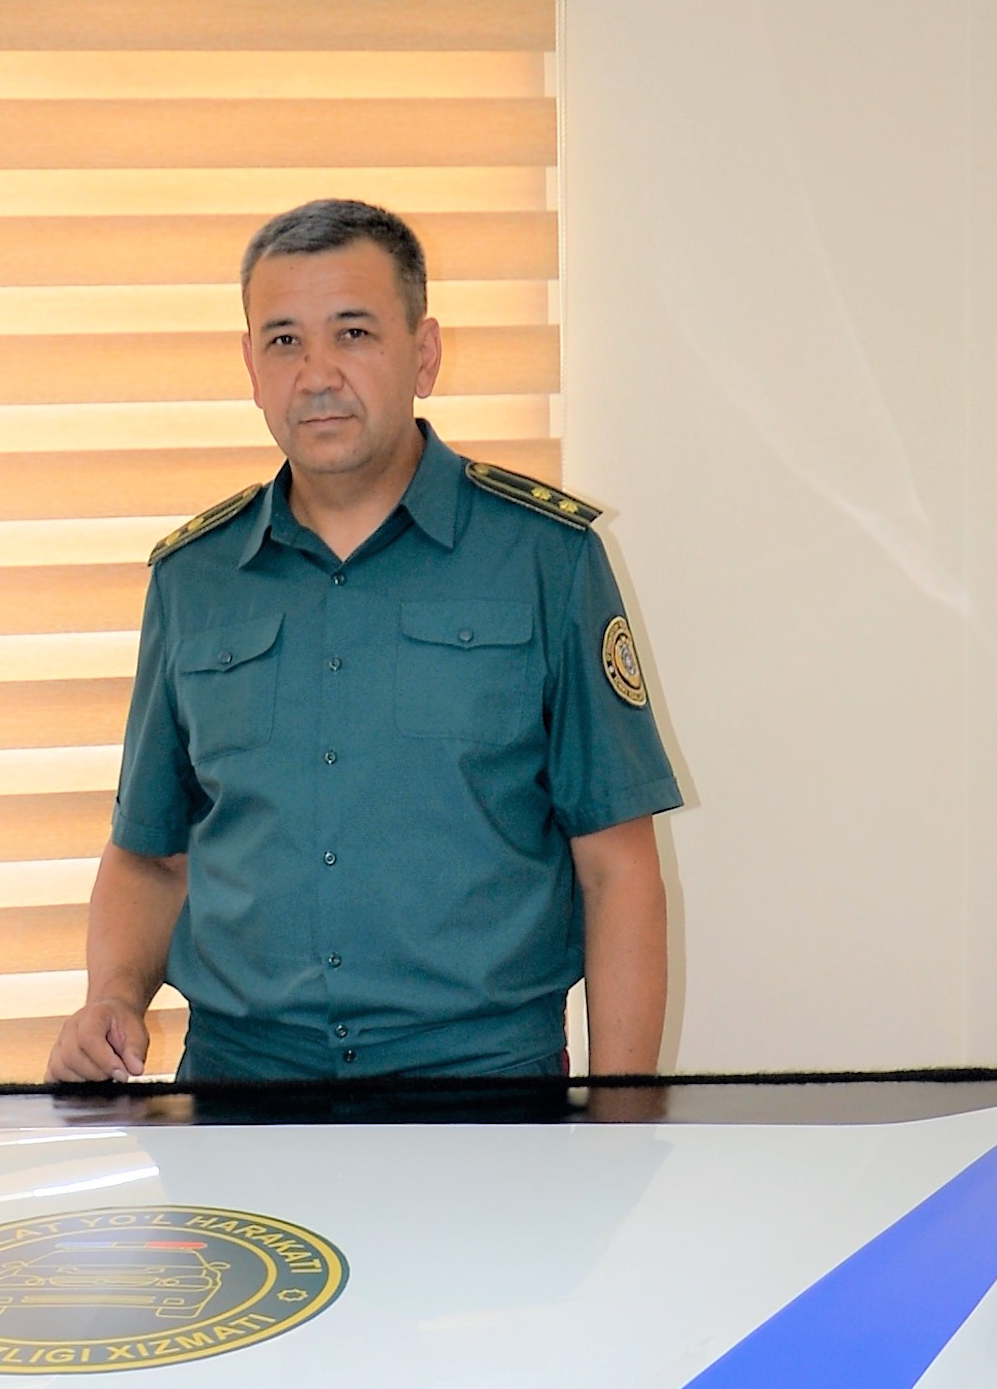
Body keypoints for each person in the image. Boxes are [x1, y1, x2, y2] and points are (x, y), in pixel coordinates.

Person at [45, 196, 682, 1084]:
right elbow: (150, 854)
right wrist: (112, 995)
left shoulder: (545, 559)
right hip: (240, 1093)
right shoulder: (194, 579)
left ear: (423, 354)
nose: (316, 375)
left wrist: (620, 1118)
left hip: (482, 1093)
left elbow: (616, 869)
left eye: (352, 333)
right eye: (284, 341)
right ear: (250, 366)